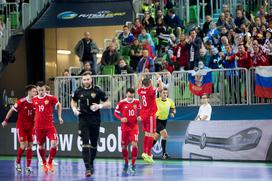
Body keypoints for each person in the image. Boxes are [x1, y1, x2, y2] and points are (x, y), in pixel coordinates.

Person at [71, 71, 110, 177]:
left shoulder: (97, 90)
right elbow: (73, 101)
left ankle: (91, 162)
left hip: (95, 119)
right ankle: (87, 168)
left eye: (88, 79)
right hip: (83, 119)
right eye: (84, 80)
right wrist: (74, 109)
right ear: (82, 80)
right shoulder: (78, 91)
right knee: (85, 142)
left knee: (93, 144)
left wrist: (99, 106)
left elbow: (108, 102)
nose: (86, 81)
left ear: (91, 79)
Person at [1, 85, 37, 174]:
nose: (35, 93)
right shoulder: (21, 102)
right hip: (21, 127)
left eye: (36, 91)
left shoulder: (36, 102)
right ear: (29, 92)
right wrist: (5, 120)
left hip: (31, 127)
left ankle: (28, 166)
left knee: (30, 146)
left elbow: (37, 114)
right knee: (23, 146)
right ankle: (17, 162)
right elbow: (11, 110)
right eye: (34, 91)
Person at [32, 81, 63, 173]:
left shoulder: (51, 98)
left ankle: (49, 162)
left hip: (49, 126)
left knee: (55, 143)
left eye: (43, 90)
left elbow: (59, 105)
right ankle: (44, 163)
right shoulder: (34, 99)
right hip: (38, 127)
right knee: (41, 147)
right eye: (39, 90)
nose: (41, 91)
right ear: (37, 90)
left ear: (45, 89)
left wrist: (60, 116)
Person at [136, 74, 163, 164]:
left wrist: (140, 79)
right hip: (150, 114)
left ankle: (145, 153)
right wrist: (159, 78)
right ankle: (148, 153)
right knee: (151, 134)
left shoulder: (141, 90)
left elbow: (137, 89)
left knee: (147, 134)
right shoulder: (150, 91)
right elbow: (160, 88)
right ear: (150, 83)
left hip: (143, 114)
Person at [114, 88, 141, 175]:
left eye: (132, 97)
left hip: (134, 127)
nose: (130, 98)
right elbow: (115, 113)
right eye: (129, 96)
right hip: (125, 128)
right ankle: (126, 163)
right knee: (124, 147)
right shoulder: (122, 102)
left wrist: (139, 116)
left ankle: (133, 165)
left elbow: (141, 111)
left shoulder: (137, 101)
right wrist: (121, 118)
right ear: (126, 94)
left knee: (134, 144)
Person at [153, 87, 175, 159]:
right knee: (165, 135)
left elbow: (173, 108)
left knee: (156, 137)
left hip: (164, 120)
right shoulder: (156, 100)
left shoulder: (170, 101)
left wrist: (172, 113)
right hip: (157, 120)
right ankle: (164, 154)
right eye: (163, 93)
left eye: (166, 93)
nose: (165, 94)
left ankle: (146, 151)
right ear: (160, 93)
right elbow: (150, 107)